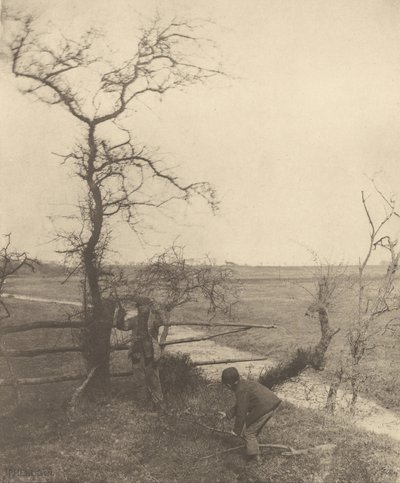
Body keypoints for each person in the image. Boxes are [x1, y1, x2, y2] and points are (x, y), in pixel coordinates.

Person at [219, 367, 281, 461]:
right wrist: (227, 414)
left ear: (228, 385)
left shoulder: (241, 391)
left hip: (264, 407)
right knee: (252, 429)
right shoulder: (244, 384)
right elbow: (241, 405)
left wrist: (236, 430)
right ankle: (253, 449)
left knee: (249, 433)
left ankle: (255, 458)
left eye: (226, 386)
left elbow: (241, 411)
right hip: (271, 403)